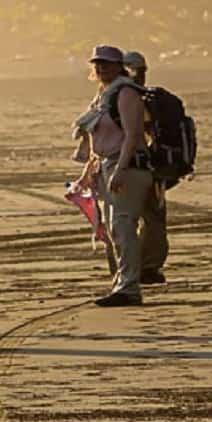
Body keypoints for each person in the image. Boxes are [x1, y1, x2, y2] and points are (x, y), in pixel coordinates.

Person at [72, 46, 166, 306]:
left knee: (123, 226)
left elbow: (133, 135)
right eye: (97, 64)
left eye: (107, 63)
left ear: (119, 66)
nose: (101, 68)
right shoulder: (104, 94)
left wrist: (121, 169)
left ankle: (129, 288)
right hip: (107, 166)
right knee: (115, 229)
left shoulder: (125, 93)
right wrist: (88, 172)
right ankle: (124, 282)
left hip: (128, 167)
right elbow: (97, 140)